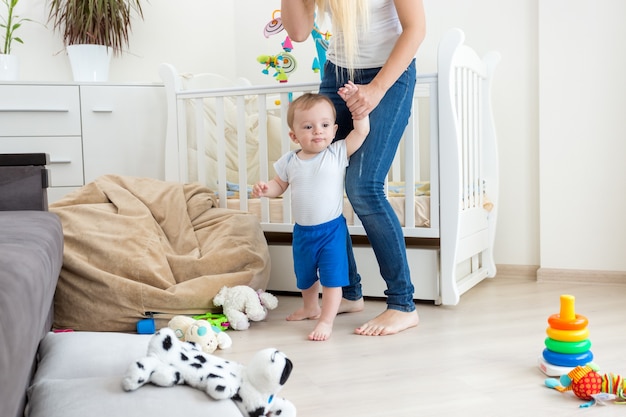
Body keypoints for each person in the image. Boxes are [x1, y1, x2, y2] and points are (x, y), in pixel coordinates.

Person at [280, 0, 426, 336]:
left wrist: (376, 90)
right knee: (325, 179)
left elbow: (415, 28)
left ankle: (402, 304)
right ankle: (349, 292)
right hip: (338, 72)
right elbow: (299, 32)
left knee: (363, 186)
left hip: (389, 72)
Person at [252, 83, 369, 341]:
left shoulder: (336, 153)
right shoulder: (290, 161)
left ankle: (326, 321)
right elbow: (279, 185)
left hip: (331, 230)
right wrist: (265, 189)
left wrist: (357, 109)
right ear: (294, 135)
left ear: (335, 130)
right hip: (303, 231)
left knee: (332, 278)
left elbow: (361, 133)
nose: (318, 131)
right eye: (308, 127)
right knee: (304, 275)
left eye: (325, 125)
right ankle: (309, 307)